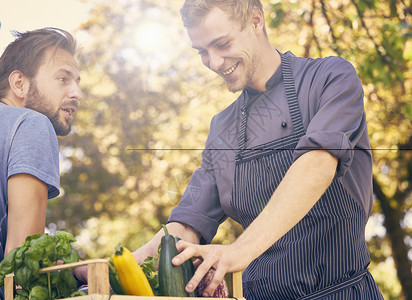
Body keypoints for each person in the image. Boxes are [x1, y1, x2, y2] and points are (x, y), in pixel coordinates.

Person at [131, 0, 384, 299]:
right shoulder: (222, 129)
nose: (213, 62)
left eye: (222, 44)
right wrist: (101, 269)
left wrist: (240, 250)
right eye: (202, 51)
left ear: (255, 21)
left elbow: (317, 164)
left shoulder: (329, 78)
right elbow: (186, 223)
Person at [0, 27, 82, 297]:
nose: (77, 93)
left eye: (77, 81)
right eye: (63, 79)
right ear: (19, 83)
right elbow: (21, 263)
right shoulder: (31, 124)